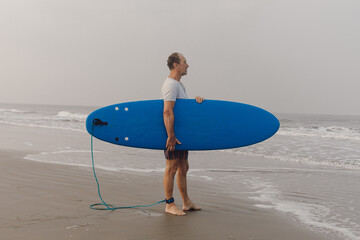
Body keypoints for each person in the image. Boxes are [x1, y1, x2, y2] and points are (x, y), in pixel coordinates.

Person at [161, 52, 204, 216]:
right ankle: (169, 204)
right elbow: (167, 112)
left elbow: (181, 110)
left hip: (181, 135)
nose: (187, 65)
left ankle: (186, 202)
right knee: (171, 168)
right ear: (175, 65)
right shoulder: (170, 85)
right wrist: (170, 135)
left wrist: (196, 102)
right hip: (174, 135)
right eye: (185, 62)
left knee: (183, 167)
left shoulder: (179, 85)